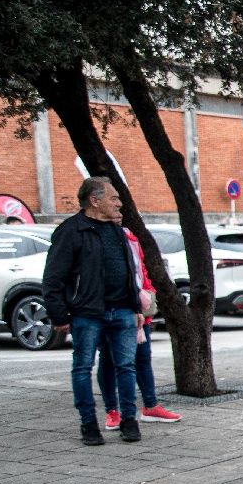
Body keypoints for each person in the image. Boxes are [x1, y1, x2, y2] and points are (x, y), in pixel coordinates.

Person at [42, 178, 144, 446]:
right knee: (83, 367)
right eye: (113, 198)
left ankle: (129, 421)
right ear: (94, 201)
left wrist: (135, 306)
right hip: (87, 313)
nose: (119, 203)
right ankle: (89, 424)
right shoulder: (71, 231)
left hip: (122, 309)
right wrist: (59, 316)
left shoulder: (116, 229)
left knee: (126, 366)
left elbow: (129, 271)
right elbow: (53, 278)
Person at [99, 226, 182, 428]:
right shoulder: (98, 237)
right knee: (110, 360)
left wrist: (147, 292)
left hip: (137, 307)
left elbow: (140, 270)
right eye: (114, 204)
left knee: (142, 357)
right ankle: (113, 411)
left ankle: (150, 405)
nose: (118, 210)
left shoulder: (131, 237)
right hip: (111, 308)